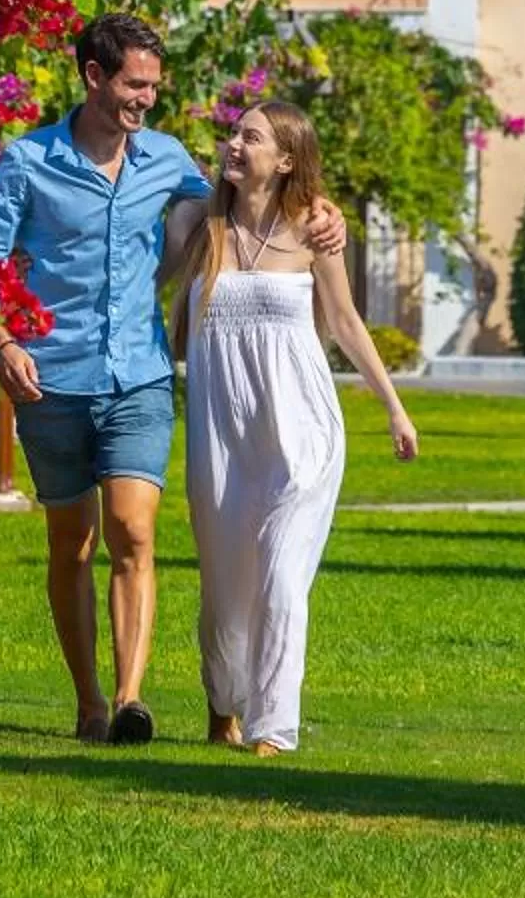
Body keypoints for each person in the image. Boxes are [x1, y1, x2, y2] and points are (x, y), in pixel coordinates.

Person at [0, 13, 343, 746]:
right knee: (72, 543)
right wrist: (2, 341)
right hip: (50, 377)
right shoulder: (27, 162)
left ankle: (133, 699)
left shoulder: (166, 160)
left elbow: (247, 197)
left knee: (134, 532)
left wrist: (323, 214)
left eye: (153, 88)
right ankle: (89, 703)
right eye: (135, 85)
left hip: (137, 375)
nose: (146, 100)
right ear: (94, 77)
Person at [163, 100, 418, 758]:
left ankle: (274, 725)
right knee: (225, 589)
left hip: (302, 426)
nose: (234, 144)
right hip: (223, 434)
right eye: (234, 133)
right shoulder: (200, 224)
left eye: (251, 137)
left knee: (281, 578)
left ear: (285, 160)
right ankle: (225, 702)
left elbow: (345, 322)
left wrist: (393, 407)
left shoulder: (312, 230)